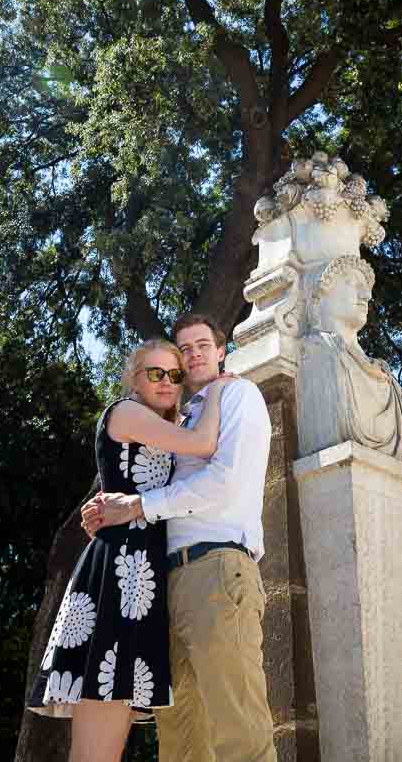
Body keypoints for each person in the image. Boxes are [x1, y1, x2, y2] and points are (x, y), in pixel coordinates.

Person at [82, 313, 276, 762]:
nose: (193, 355)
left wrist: (135, 507)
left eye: (203, 345)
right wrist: (104, 509)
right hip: (163, 584)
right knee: (180, 740)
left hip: (216, 571)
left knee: (238, 728)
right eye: (184, 349)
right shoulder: (180, 418)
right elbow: (139, 474)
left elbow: (222, 482)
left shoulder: (239, 395)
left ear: (221, 350)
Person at [28, 338, 231, 762]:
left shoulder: (158, 426)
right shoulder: (126, 412)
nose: (166, 383)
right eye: (154, 373)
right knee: (96, 750)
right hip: (119, 574)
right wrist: (217, 390)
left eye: (175, 376)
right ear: (133, 379)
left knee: (109, 743)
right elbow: (203, 444)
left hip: (140, 580)